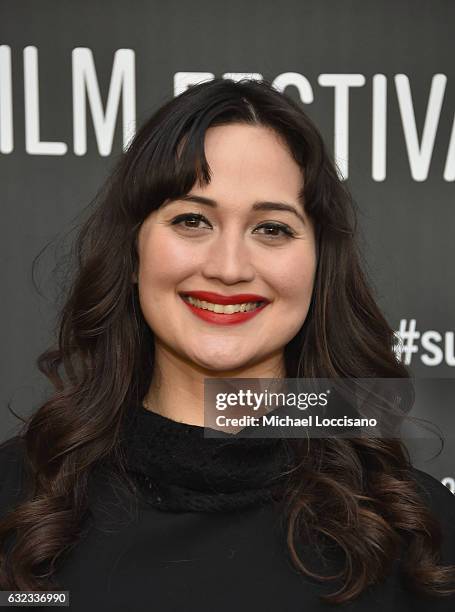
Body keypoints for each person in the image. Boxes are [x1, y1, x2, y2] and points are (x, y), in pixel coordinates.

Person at [0, 78, 454, 611]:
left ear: (319, 266)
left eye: (272, 229)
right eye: (192, 220)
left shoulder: (417, 528)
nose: (228, 268)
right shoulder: (17, 502)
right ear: (132, 254)